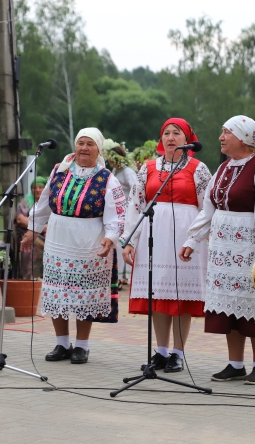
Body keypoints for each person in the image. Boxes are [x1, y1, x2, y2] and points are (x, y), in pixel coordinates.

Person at [179, 115, 255, 385]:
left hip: (254, 248)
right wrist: (193, 239)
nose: (220, 137)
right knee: (231, 305)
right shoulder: (225, 167)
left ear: (244, 138)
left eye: (226, 132)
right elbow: (209, 208)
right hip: (224, 249)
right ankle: (235, 364)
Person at [20, 128, 126, 364]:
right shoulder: (60, 170)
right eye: (80, 143)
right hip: (59, 238)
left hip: (89, 240)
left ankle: (82, 345)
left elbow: (117, 214)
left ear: (98, 149)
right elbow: (44, 203)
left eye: (90, 144)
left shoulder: (107, 177)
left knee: (83, 295)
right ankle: (61, 343)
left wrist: (110, 237)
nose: (84, 148)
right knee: (58, 292)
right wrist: (31, 231)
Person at [121, 118, 211, 373]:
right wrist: (129, 240)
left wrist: (199, 238)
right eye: (166, 133)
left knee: (181, 296)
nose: (171, 138)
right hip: (154, 235)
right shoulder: (148, 168)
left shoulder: (199, 168)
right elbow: (135, 205)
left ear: (188, 139)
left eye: (177, 133)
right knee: (158, 294)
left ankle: (178, 353)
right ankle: (160, 351)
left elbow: (208, 208)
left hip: (186, 235)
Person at [104, 139, 137, 286]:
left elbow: (135, 189)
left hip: (128, 210)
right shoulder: (115, 171)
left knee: (126, 241)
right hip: (117, 210)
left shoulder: (128, 172)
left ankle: (127, 276)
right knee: (118, 242)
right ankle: (118, 276)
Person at [15, 176, 47, 279]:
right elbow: (20, 219)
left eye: (40, 187)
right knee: (33, 242)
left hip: (48, 235)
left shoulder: (50, 203)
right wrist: (40, 227)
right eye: (34, 187)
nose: (37, 190)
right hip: (27, 234)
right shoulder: (25, 203)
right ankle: (30, 277)